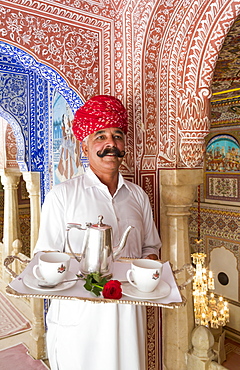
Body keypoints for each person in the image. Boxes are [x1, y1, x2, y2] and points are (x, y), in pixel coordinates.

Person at [34, 95, 161, 370]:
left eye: (117, 136)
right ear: (86, 145)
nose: (110, 144)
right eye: (100, 136)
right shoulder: (63, 195)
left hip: (128, 315)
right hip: (81, 318)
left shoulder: (138, 196)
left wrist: (146, 271)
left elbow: (150, 247)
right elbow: (44, 256)